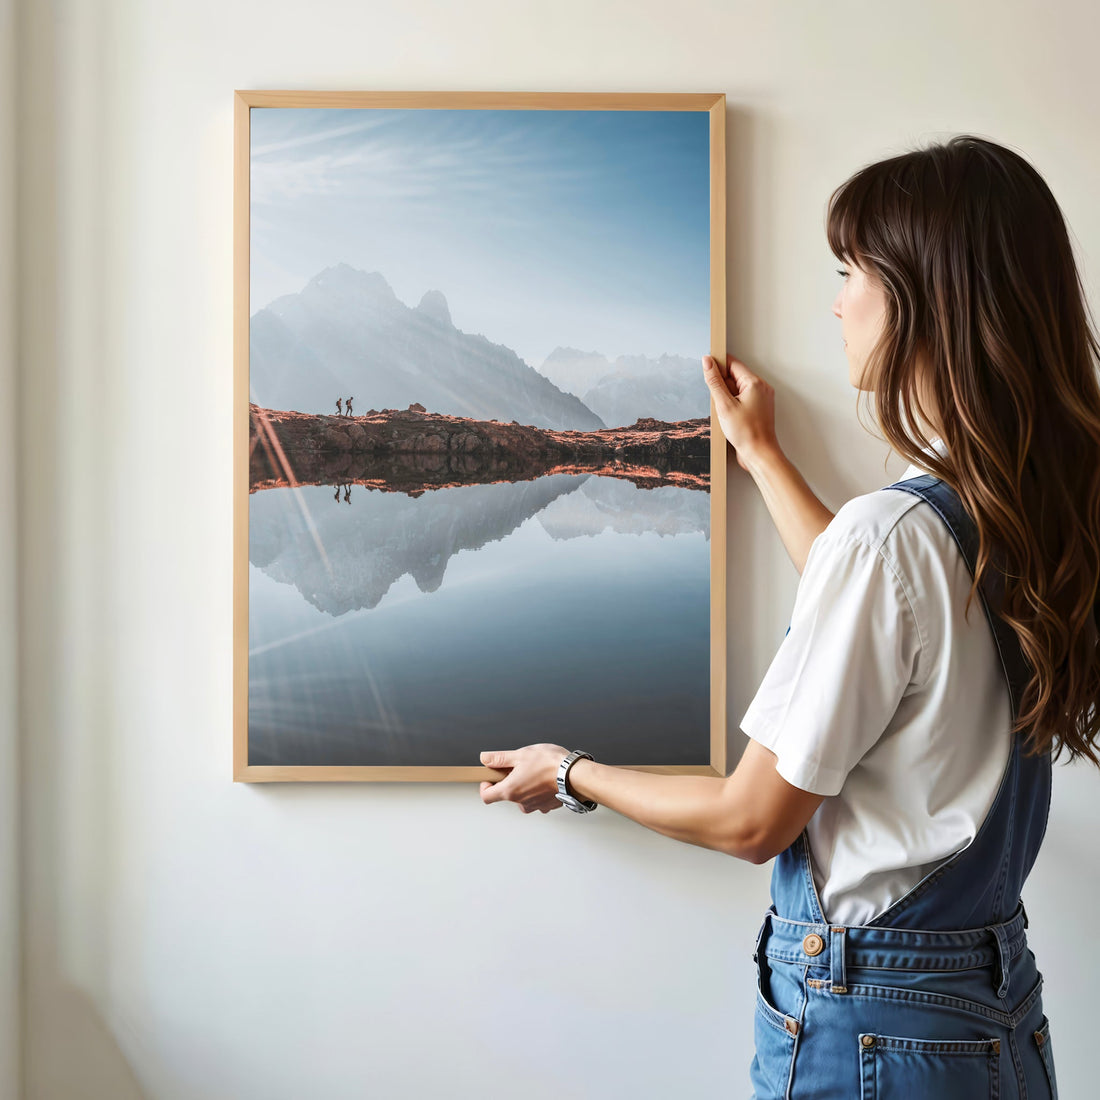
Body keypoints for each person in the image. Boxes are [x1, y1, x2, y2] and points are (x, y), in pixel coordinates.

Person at [477, 134, 1099, 1098]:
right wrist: (762, 455)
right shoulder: (1019, 509)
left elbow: (750, 819)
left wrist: (568, 772)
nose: (838, 299)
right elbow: (888, 622)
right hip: (989, 1012)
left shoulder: (894, 536)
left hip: (873, 1029)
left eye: (852, 271)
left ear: (924, 299)